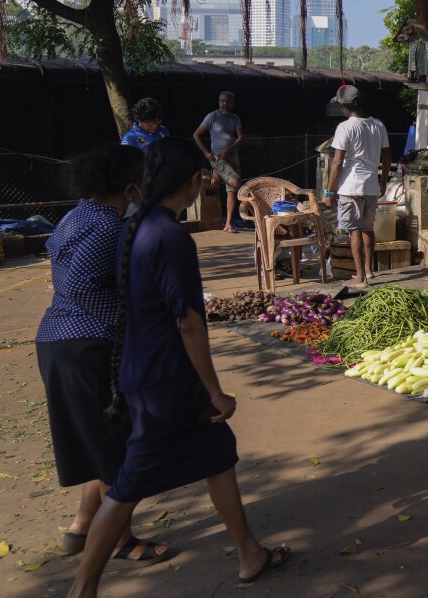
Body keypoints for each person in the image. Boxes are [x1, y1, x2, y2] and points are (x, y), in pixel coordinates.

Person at [67, 138, 287, 597]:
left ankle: (250, 554)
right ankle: (82, 588)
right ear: (191, 184)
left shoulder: (140, 224)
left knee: (218, 455)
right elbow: (188, 323)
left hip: (148, 374)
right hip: (163, 384)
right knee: (128, 486)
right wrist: (215, 390)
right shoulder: (170, 237)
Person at [37, 145, 170, 568]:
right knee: (118, 446)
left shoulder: (75, 215)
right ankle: (119, 540)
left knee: (98, 443)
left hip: (57, 340)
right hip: (88, 346)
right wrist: (132, 319)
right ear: (130, 189)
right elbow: (80, 286)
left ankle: (82, 526)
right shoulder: (108, 228)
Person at [324, 85, 393, 287]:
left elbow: (337, 162)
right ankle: (370, 272)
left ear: (344, 106)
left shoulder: (345, 127)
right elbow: (387, 157)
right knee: (368, 229)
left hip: (350, 189)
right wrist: (383, 180)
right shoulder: (378, 125)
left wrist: (329, 191)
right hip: (371, 186)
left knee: (354, 231)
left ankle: (360, 277)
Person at [193, 91, 244, 232]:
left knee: (232, 191)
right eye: (223, 101)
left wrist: (230, 148)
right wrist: (206, 153)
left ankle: (228, 224)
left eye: (228, 101)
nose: (225, 103)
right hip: (217, 158)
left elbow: (240, 137)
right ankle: (216, 170)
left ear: (232, 103)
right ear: (219, 102)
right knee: (236, 181)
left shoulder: (235, 118)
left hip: (233, 156)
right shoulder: (212, 116)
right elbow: (196, 134)